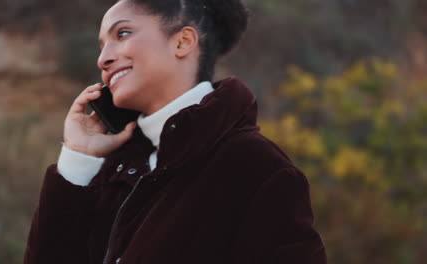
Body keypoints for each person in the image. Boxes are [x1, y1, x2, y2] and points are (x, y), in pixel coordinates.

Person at [24, 0, 327, 263]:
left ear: (182, 42)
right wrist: (78, 159)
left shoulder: (257, 168)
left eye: (123, 33)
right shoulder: (115, 170)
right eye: (102, 45)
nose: (103, 59)